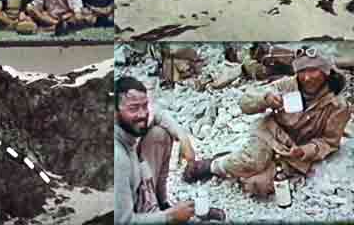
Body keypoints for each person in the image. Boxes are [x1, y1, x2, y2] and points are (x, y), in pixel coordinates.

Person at [183, 48, 351, 197]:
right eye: (302, 70)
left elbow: (329, 142)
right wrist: (265, 100)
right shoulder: (286, 85)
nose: (307, 77)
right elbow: (245, 103)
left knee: (257, 185)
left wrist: (304, 151)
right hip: (269, 133)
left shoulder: (339, 106)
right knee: (253, 161)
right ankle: (211, 165)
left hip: (293, 152)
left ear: (326, 71)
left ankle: (234, 161)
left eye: (314, 70)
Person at [114, 77, 225, 224]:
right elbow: (123, 222)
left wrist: (184, 139)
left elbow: (158, 114)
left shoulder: (128, 126)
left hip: (137, 197)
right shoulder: (117, 157)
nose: (142, 114)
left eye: (144, 106)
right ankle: (159, 213)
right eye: (133, 108)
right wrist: (169, 217)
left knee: (159, 134)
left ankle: (160, 204)